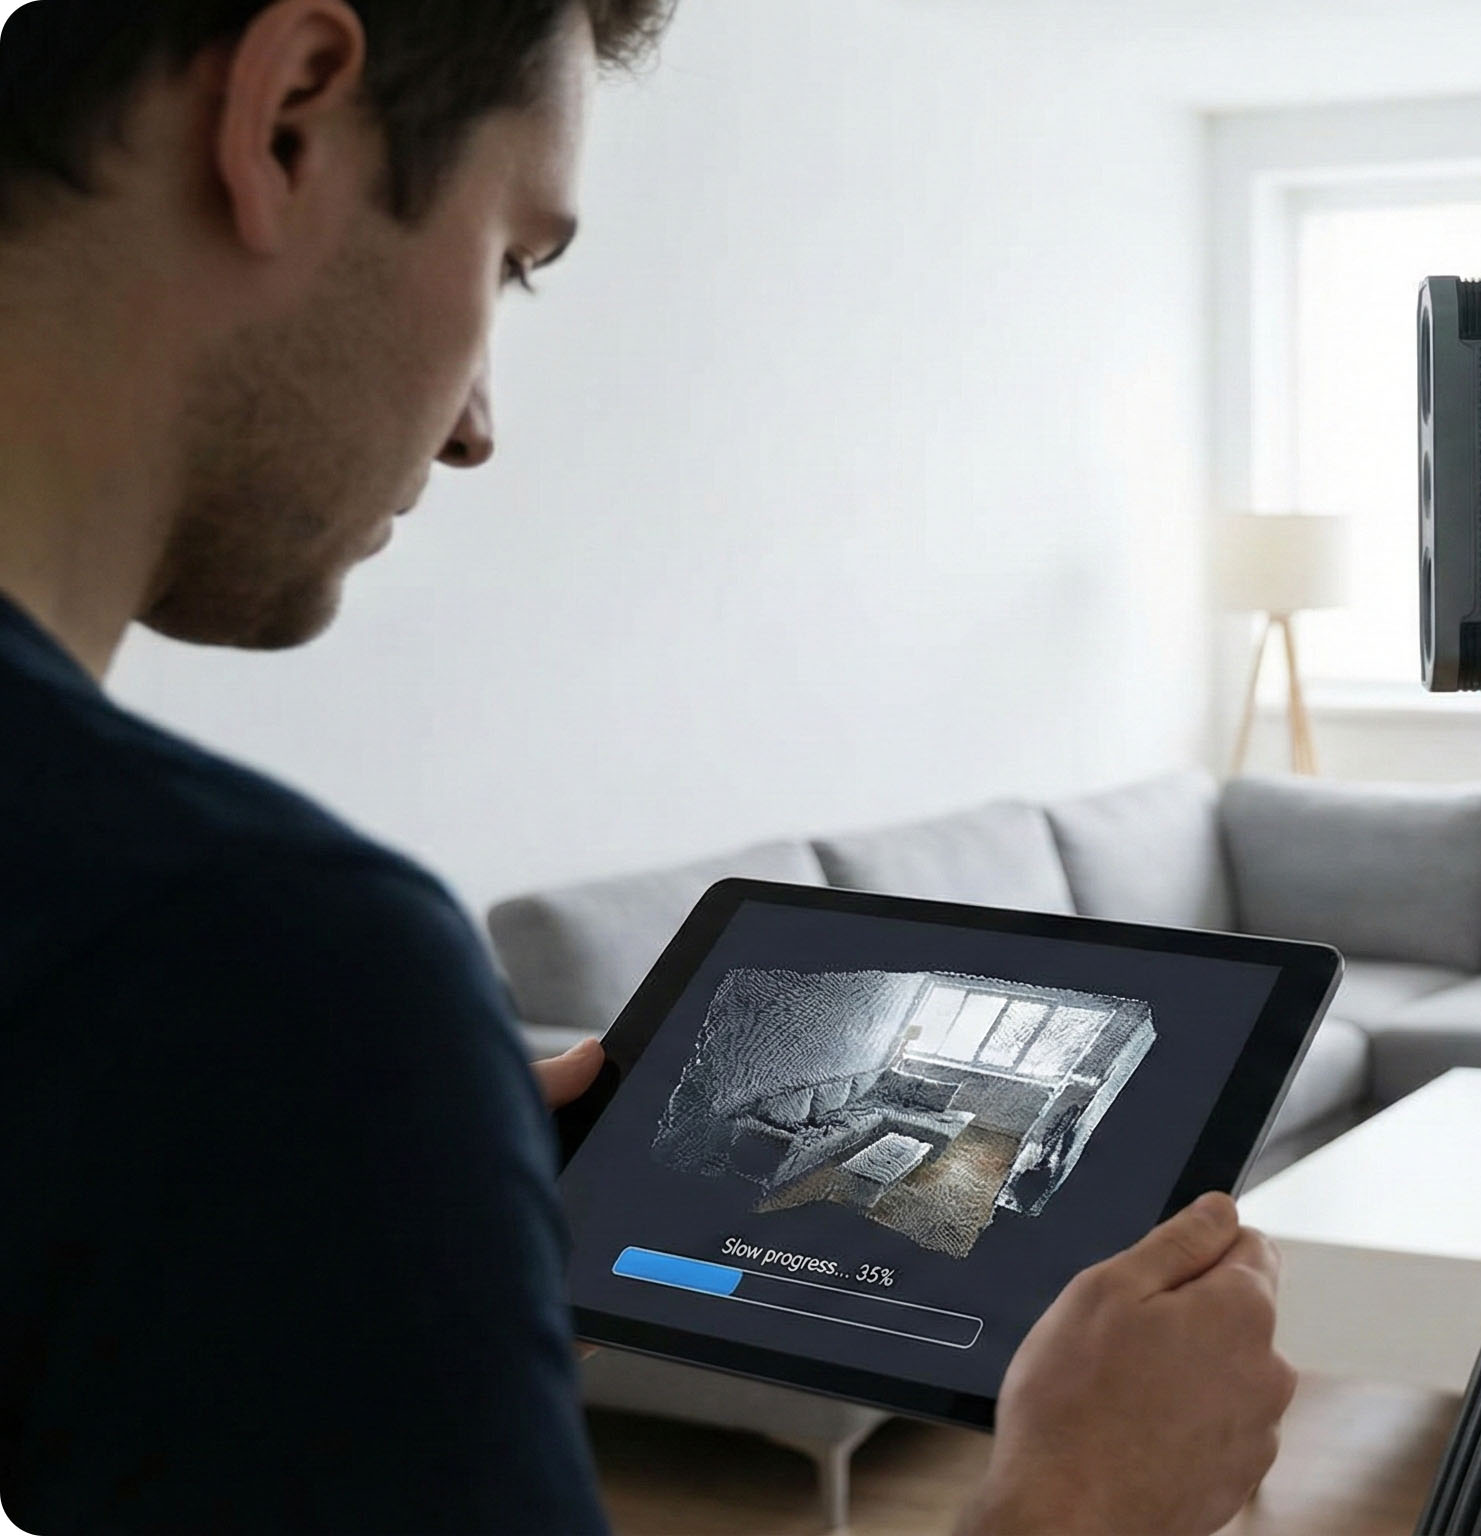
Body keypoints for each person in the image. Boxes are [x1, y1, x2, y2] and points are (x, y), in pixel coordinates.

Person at [0, 3, 1296, 1532]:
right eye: (513, 258)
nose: (477, 429)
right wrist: (1080, 1504)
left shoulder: (181, 998)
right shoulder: (264, 961)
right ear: (288, 117)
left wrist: (392, 1212)